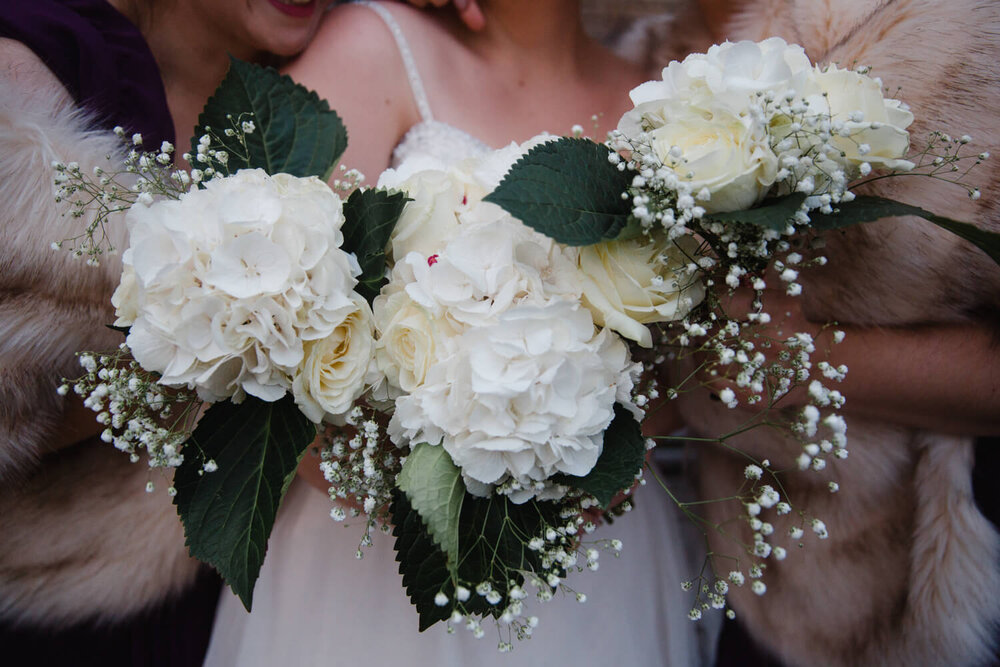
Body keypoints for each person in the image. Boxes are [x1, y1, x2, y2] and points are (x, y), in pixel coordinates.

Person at [203, 2, 710, 665]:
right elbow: (270, 336)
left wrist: (595, 459)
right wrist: (438, 490)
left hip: (597, 573)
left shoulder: (664, 92)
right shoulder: (375, 46)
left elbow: (685, 375)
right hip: (374, 578)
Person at [622, 1, 1000, 665]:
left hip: (954, 584)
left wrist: (808, 360)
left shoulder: (965, 39)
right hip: (767, 599)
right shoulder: (647, 58)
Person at [0, 1, 331, 664]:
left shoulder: (321, 85)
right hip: (56, 612)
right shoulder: (33, 78)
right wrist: (203, 348)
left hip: (251, 606)